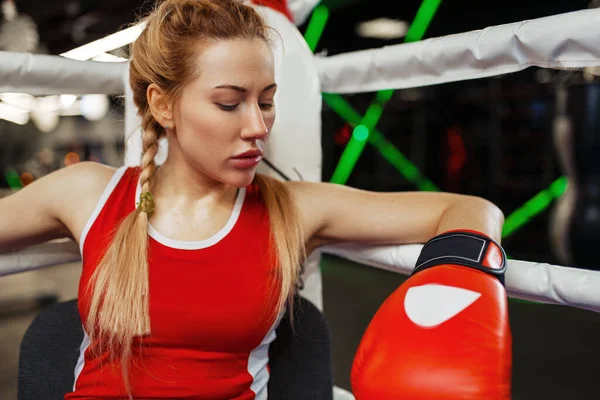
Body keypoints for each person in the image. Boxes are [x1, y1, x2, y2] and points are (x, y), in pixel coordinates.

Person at [0, 0, 504, 398]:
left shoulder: (295, 208)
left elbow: (466, 209)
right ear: (162, 104)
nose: (257, 126)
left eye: (266, 101)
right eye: (229, 102)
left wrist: (460, 278)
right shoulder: (91, 192)